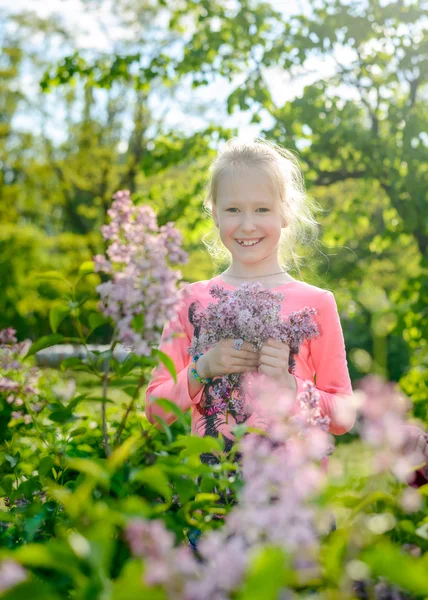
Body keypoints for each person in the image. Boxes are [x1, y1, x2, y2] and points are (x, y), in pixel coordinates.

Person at [145, 138, 427, 481]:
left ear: (285, 213)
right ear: (215, 213)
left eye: (262, 209)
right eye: (233, 209)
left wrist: (290, 386)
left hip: (296, 504)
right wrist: (202, 368)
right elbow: (155, 410)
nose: (247, 224)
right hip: (210, 508)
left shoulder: (317, 303)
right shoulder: (190, 301)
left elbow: (343, 416)